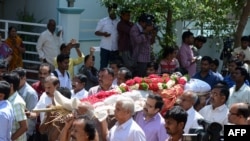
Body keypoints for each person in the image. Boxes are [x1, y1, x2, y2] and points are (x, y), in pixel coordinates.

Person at [12, 67, 38, 140]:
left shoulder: (31, 93)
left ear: (23, 78)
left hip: (25, 133)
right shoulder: (14, 89)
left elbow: (31, 114)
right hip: (15, 130)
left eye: (17, 79)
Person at [3, 72, 28, 141]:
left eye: (4, 84)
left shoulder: (17, 103)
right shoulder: (7, 99)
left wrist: (10, 139)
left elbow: (24, 127)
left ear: (11, 86)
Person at [95, 3, 119, 69]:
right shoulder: (103, 21)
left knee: (114, 67)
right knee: (103, 66)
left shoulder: (118, 22)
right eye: (110, 10)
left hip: (115, 48)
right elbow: (96, 32)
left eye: (114, 10)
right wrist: (103, 34)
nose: (112, 12)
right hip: (105, 48)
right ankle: (102, 78)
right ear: (108, 11)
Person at [130, 13, 154, 77]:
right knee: (139, 76)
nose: (147, 25)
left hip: (146, 56)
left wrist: (152, 32)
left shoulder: (144, 29)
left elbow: (150, 41)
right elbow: (138, 40)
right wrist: (145, 31)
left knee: (144, 76)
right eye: (146, 23)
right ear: (141, 22)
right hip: (139, 57)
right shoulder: (135, 29)